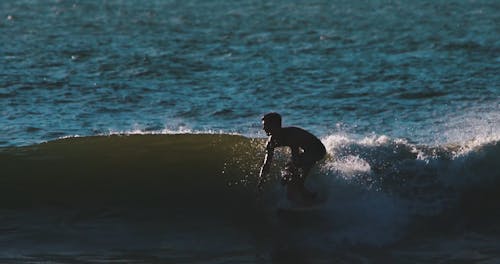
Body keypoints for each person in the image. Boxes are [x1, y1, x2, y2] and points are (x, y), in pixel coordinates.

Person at [257, 112, 326, 205]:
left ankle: (303, 196)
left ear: (275, 126)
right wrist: (261, 183)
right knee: (290, 173)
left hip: (318, 149)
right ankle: (303, 196)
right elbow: (266, 164)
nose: (263, 128)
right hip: (307, 151)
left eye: (266, 125)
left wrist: (288, 176)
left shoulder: (290, 135)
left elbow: (296, 159)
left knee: (290, 172)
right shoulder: (271, 142)